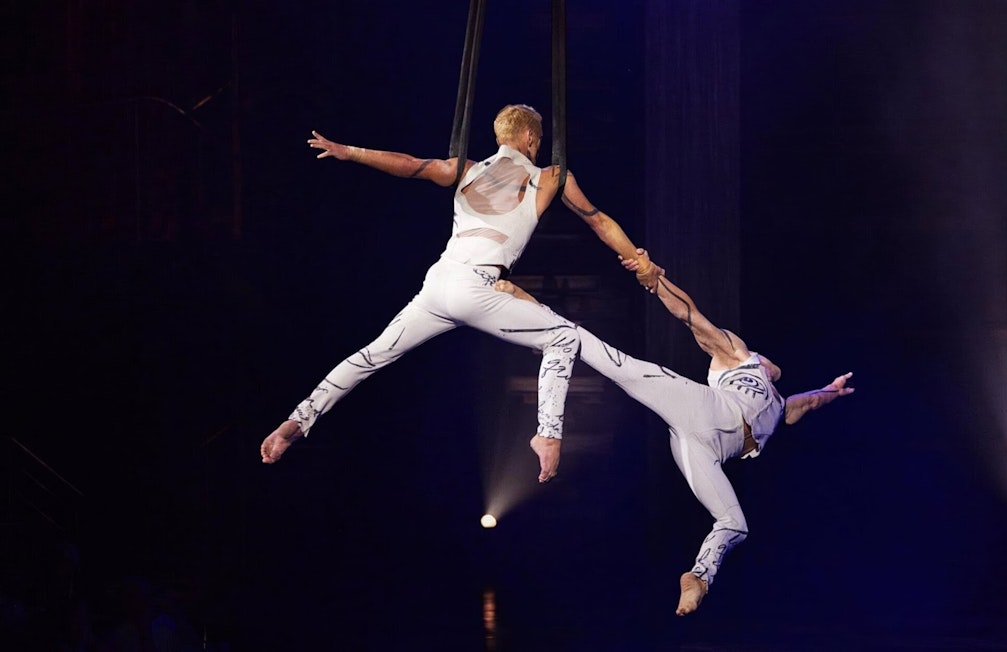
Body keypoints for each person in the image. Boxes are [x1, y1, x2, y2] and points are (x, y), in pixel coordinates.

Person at [260, 104, 661, 482]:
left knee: (372, 355)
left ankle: (296, 422)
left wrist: (350, 151)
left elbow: (410, 165)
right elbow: (600, 223)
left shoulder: (463, 170)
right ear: (530, 138)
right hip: (477, 288)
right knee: (563, 337)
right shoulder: (549, 177)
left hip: (438, 284)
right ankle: (549, 434)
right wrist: (641, 264)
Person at [493, 248, 854, 615]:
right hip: (706, 409)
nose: (771, 363)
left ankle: (698, 577)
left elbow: (805, 404)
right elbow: (691, 317)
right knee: (615, 362)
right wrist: (655, 280)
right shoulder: (738, 355)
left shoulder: (778, 405)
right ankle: (530, 308)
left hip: (707, 448)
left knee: (735, 524)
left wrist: (831, 391)